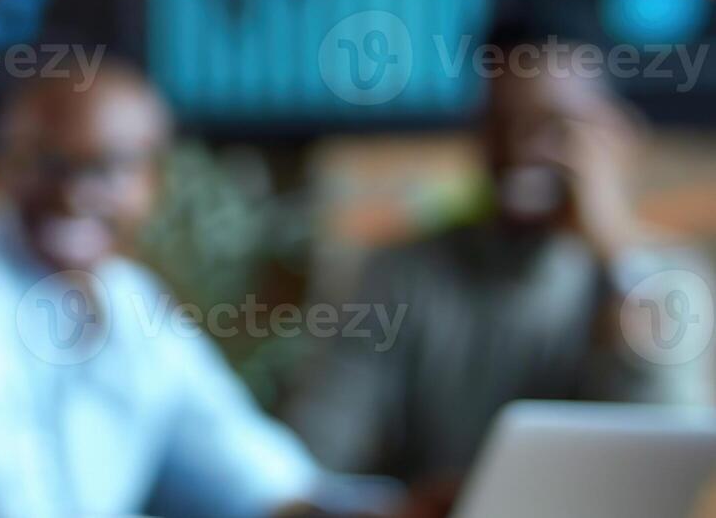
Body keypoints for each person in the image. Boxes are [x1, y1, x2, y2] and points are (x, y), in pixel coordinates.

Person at [0, 66, 335, 518]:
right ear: (4, 167)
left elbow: (238, 458)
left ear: (154, 183)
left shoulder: (127, 295)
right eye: (48, 164)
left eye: (108, 168)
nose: (74, 194)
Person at [286, 31, 712, 503]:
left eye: (553, 126)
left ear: (617, 137)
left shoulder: (663, 281)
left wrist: (618, 255)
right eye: (499, 123)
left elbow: (667, 451)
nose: (519, 149)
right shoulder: (400, 274)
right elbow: (314, 454)